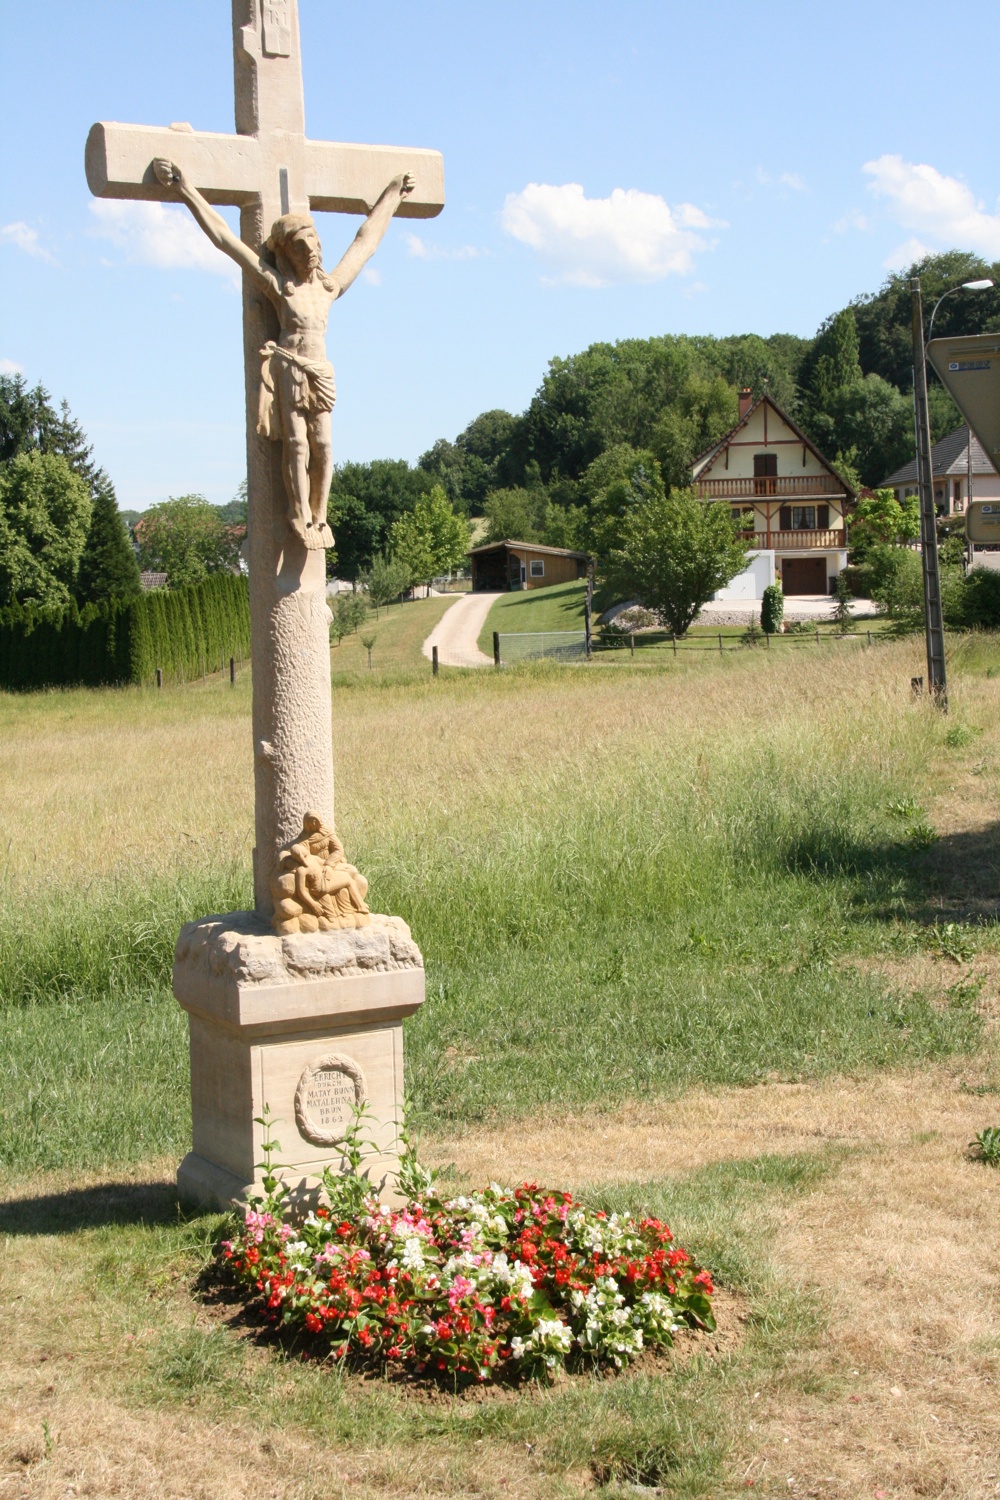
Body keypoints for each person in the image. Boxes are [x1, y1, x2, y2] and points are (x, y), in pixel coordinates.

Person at [152, 158, 414, 550]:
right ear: (286, 252)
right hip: (289, 369)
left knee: (323, 445)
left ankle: (320, 514)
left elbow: (365, 243)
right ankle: (299, 511)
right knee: (296, 444)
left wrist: (392, 197)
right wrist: (186, 190)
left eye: (314, 243)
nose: (311, 251)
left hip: (319, 373)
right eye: (300, 246)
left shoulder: (328, 287)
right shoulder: (280, 287)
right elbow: (226, 240)